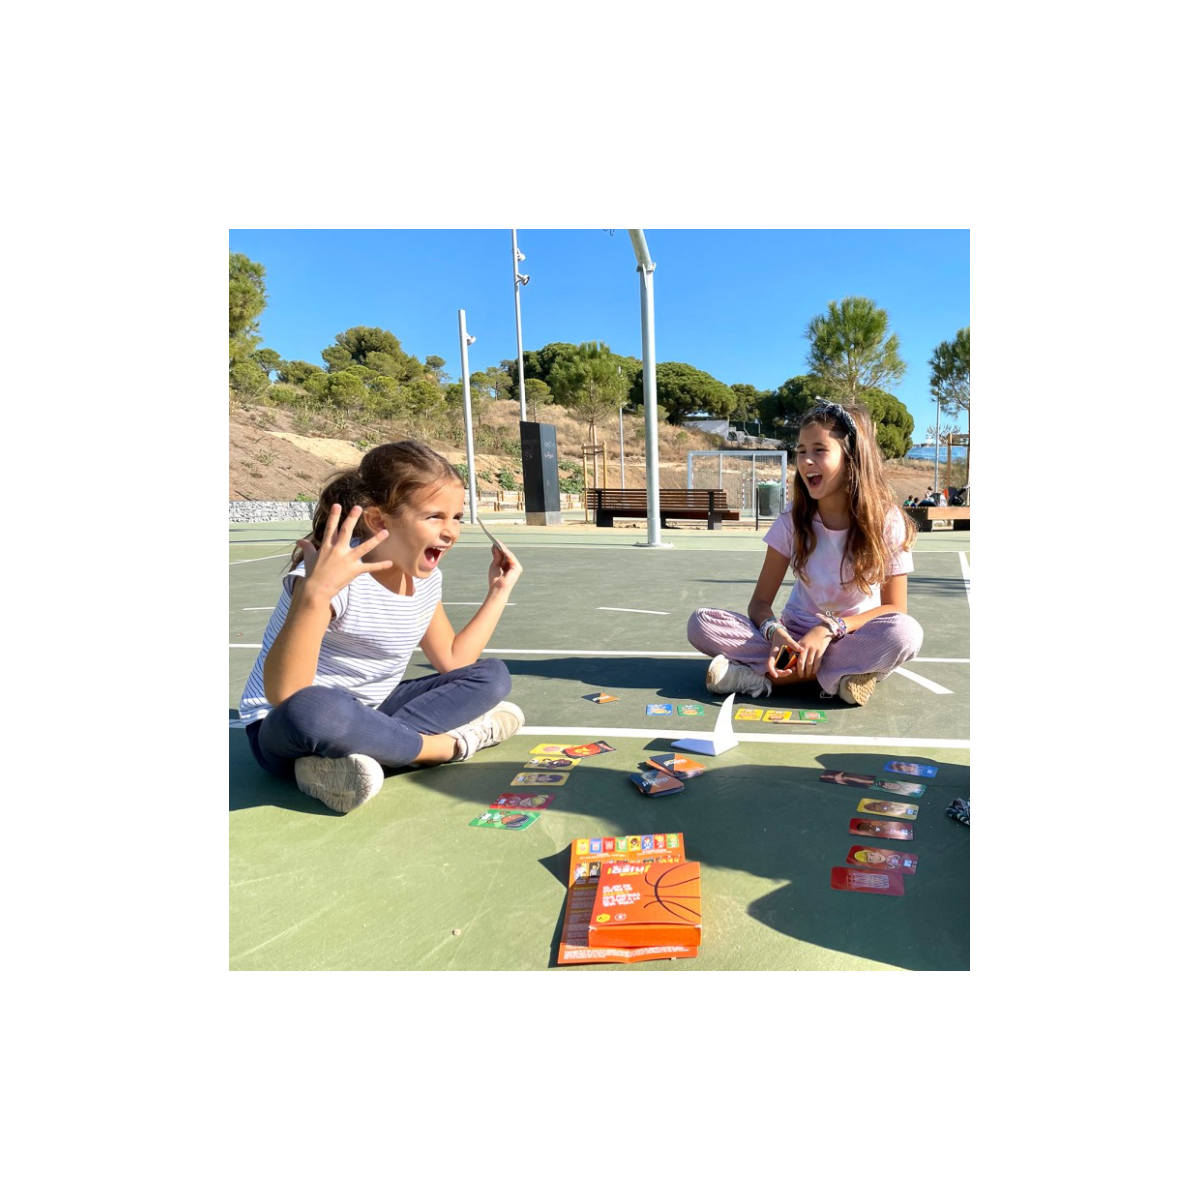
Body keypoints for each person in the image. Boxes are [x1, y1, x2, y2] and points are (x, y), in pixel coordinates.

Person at [239, 442, 524, 813]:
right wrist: (316, 593)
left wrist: (499, 591)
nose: (451, 531)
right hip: (286, 728)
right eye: (434, 517)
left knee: (492, 676)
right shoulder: (327, 577)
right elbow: (286, 695)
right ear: (379, 521)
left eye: (456, 517)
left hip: (371, 712)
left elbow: (454, 661)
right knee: (315, 708)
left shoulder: (425, 579)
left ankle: (353, 758)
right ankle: (444, 748)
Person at [687, 401, 923, 706]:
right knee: (701, 623)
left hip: (851, 634)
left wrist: (831, 627)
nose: (806, 460)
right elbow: (759, 604)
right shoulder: (792, 520)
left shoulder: (887, 520)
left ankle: (765, 678)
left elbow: (895, 608)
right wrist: (775, 633)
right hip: (794, 635)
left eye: (819, 450)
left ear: (851, 458)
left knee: (905, 634)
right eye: (801, 451)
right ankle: (843, 674)